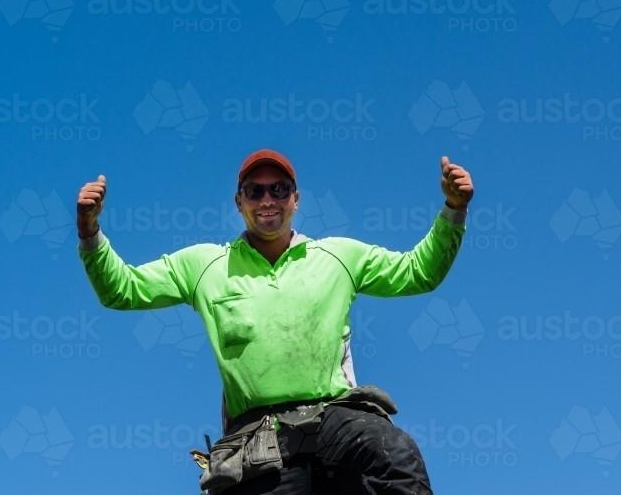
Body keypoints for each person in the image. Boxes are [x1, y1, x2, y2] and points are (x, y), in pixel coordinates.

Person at [75, 149, 474, 494]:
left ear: (296, 200)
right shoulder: (205, 266)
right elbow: (122, 290)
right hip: (258, 437)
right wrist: (90, 231)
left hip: (333, 417)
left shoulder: (338, 257)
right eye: (255, 190)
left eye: (279, 189)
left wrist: (453, 209)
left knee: (394, 452)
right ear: (238, 202)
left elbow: (418, 272)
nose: (268, 199)